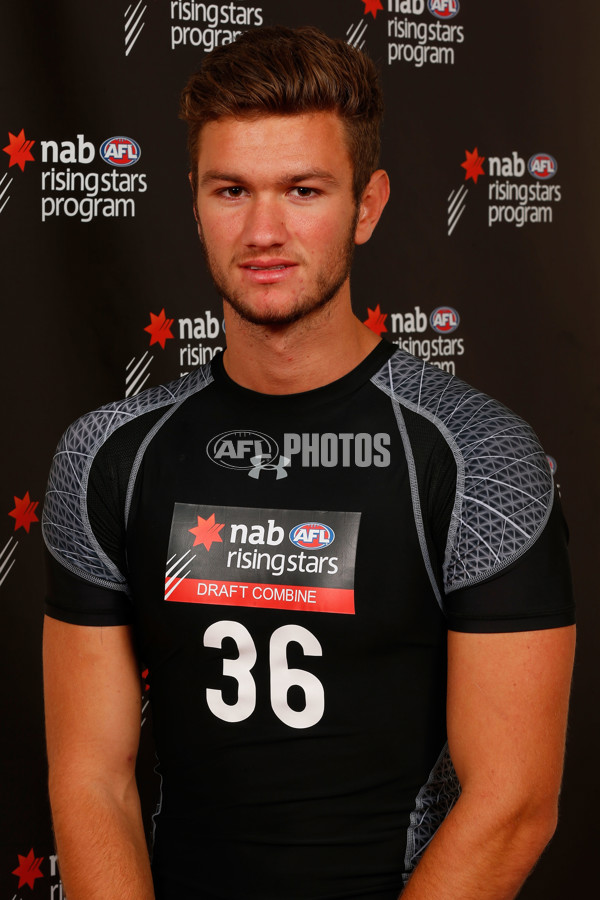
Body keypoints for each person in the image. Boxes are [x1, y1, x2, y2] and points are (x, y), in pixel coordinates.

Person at [42, 24, 575, 900]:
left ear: (367, 205)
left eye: (302, 189)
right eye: (231, 190)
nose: (263, 230)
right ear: (193, 201)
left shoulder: (477, 457)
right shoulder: (109, 456)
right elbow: (90, 779)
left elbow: (515, 804)